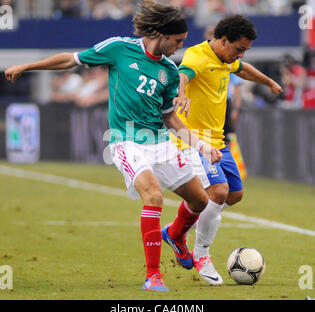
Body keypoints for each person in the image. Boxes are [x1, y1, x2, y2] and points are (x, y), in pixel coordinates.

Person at [5, 0, 222, 292]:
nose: (179, 48)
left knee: (200, 201)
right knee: (154, 196)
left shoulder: (170, 72)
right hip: (126, 140)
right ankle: (153, 275)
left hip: (158, 141)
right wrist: (28, 66)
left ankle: (175, 236)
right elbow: (71, 59)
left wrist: (202, 147)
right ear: (161, 33)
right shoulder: (119, 48)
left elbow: (170, 118)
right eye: (177, 41)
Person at [172, 15, 283, 285]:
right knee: (217, 192)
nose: (241, 54)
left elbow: (242, 68)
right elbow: (182, 76)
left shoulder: (227, 58)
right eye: (239, 48)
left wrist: (268, 82)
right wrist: (181, 93)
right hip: (194, 139)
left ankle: (174, 232)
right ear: (223, 40)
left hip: (218, 141)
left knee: (233, 195)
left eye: (245, 49)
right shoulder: (197, 57)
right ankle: (201, 255)